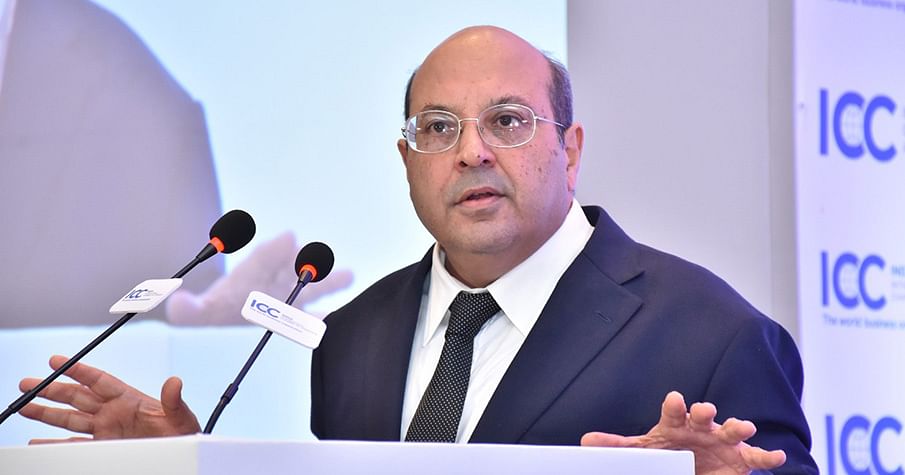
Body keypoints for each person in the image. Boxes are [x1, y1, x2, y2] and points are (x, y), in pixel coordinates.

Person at [17, 26, 817, 474]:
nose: (470, 151)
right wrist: (194, 463)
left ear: (569, 150)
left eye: (507, 121)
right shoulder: (351, 336)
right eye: (437, 128)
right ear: (407, 162)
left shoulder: (714, 338)